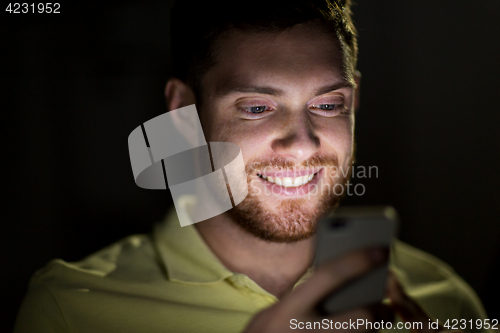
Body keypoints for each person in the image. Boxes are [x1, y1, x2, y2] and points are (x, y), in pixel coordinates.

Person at [14, 1, 490, 332]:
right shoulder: (72, 311)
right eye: (258, 108)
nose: (303, 145)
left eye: (328, 105)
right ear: (182, 113)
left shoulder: (442, 300)